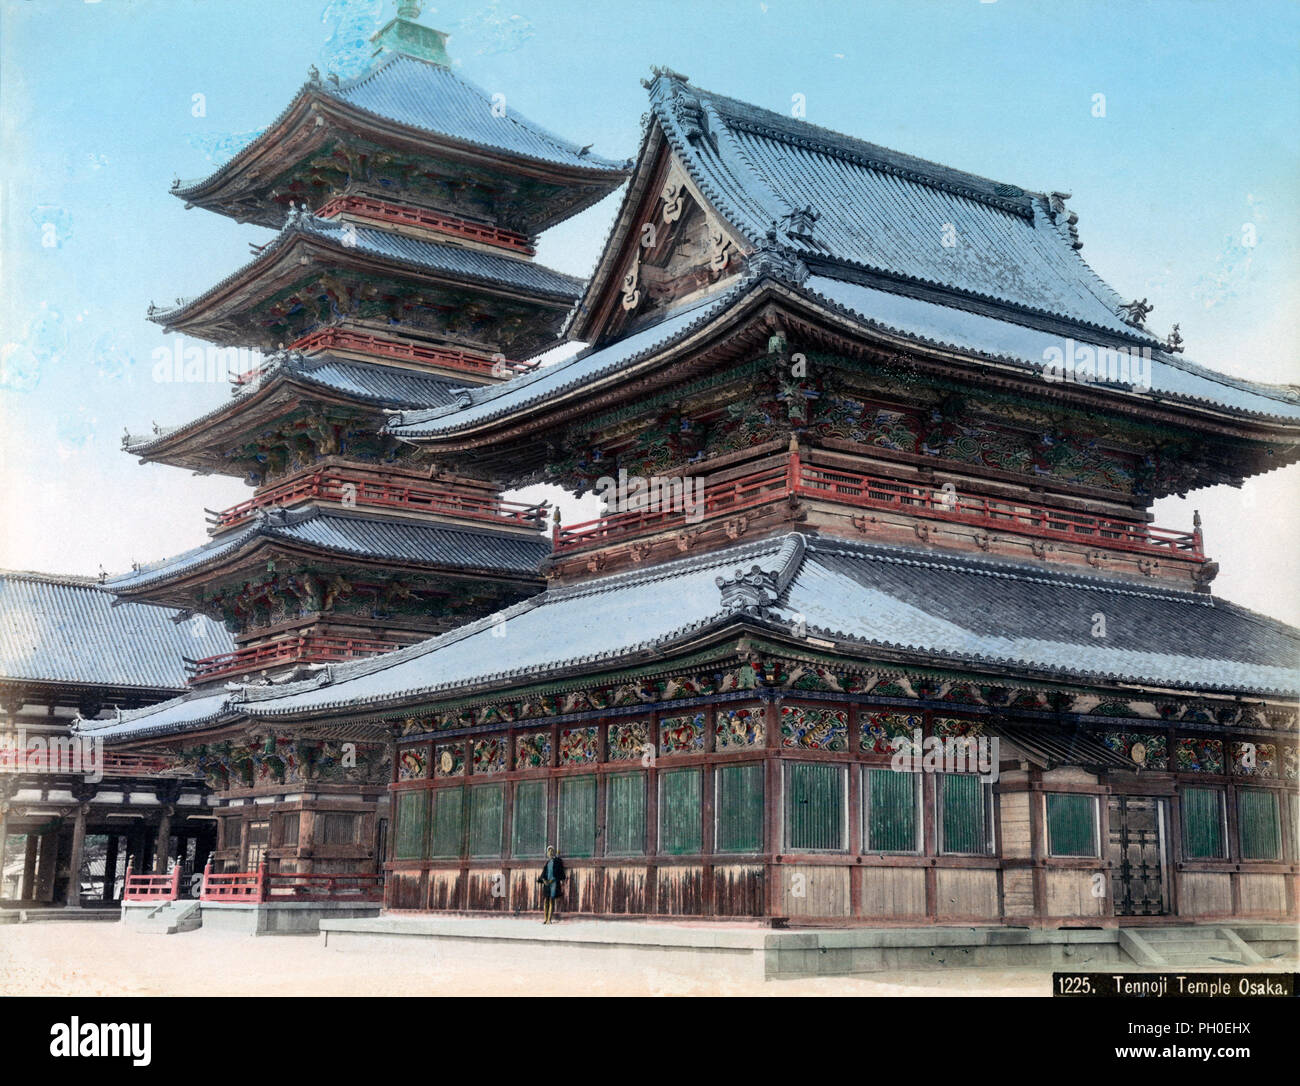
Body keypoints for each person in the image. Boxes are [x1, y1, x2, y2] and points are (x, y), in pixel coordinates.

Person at [536, 845, 566, 924]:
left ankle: (549, 919)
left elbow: (559, 872)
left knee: (551, 900)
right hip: (547, 883)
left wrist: (552, 880)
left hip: (553, 883)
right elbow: (544, 873)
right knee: (546, 900)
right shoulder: (547, 863)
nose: (550, 853)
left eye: (552, 851)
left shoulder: (556, 861)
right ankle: (545, 919)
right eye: (549, 851)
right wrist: (543, 879)